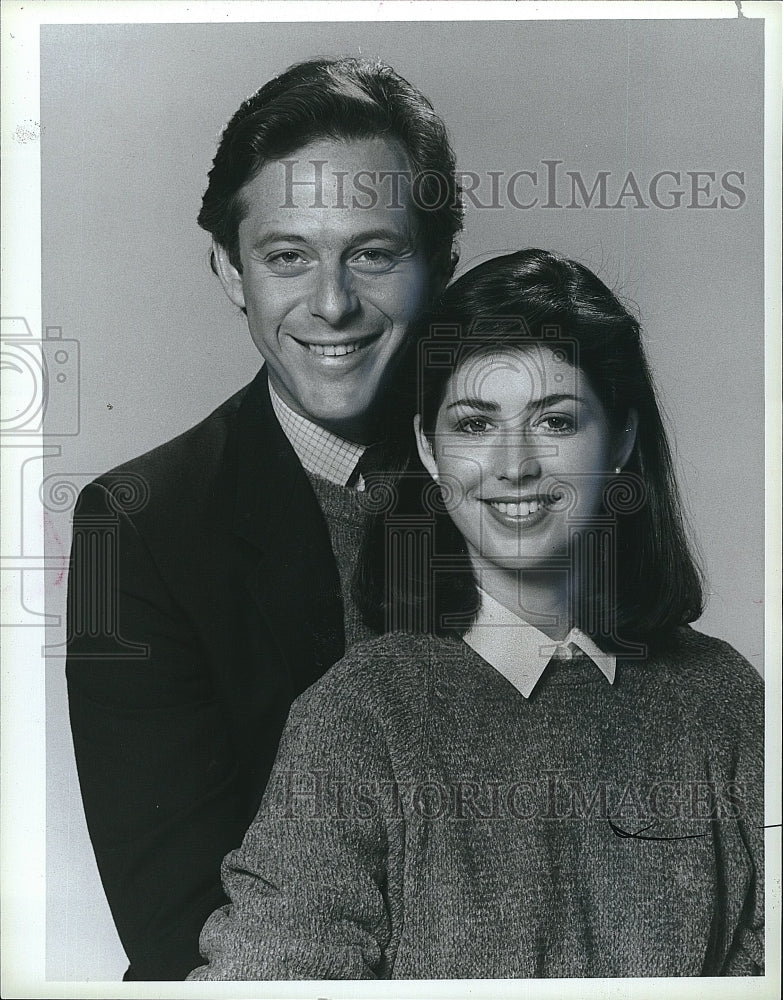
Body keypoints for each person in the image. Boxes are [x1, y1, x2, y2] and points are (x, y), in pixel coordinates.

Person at [187, 249, 764, 980]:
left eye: (555, 422)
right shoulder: (362, 716)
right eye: (474, 424)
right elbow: (274, 974)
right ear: (428, 449)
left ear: (620, 438)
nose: (513, 464)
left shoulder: (725, 700)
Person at [65, 57, 462, 981]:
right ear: (230, 271)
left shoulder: (515, 483)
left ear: (441, 264)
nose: (330, 304)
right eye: (288, 256)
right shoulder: (138, 528)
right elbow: (174, 925)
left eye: (373, 252)